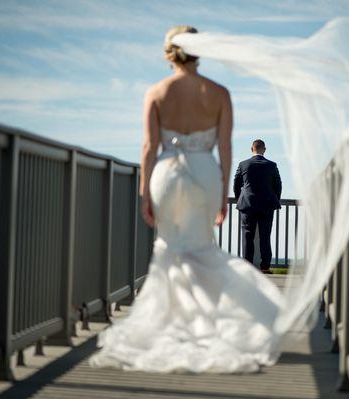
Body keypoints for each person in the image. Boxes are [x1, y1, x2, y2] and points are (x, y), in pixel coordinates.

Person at [89, 26, 284, 373]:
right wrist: (224, 190)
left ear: (169, 53)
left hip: (166, 174)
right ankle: (207, 327)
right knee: (200, 247)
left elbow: (149, 147)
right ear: (199, 50)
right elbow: (224, 147)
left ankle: (171, 328)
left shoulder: (157, 92)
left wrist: (145, 190)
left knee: (170, 248)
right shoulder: (220, 93)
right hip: (204, 173)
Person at [233, 140, 282, 273]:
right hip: (267, 205)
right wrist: (274, 199)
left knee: (247, 236)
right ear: (264, 150)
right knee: (265, 236)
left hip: (247, 205)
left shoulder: (243, 165)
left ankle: (248, 266)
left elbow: (236, 184)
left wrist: (239, 198)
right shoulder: (272, 165)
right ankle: (265, 266)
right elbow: (278, 185)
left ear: (251, 149)